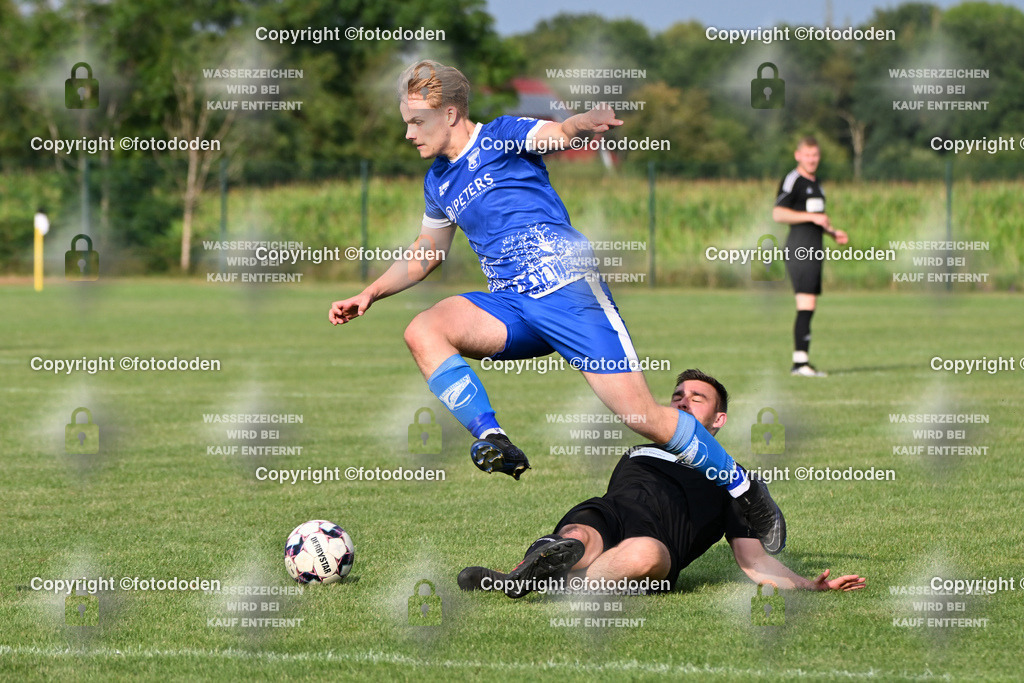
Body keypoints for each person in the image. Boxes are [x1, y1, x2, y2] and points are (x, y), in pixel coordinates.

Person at [328, 60, 781, 551]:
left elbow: (555, 133)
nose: (409, 134)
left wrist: (579, 125)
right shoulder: (439, 182)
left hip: (569, 296)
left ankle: (743, 488)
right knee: (423, 330)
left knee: (642, 417)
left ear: (452, 113)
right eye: (407, 123)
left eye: (417, 122)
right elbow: (428, 253)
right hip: (511, 307)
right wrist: (369, 292)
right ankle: (493, 437)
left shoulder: (500, 136)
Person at [459, 369, 865, 598]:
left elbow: (755, 560)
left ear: (718, 420)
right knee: (579, 535)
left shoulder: (737, 483)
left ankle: (546, 582)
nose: (682, 401)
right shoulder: (644, 447)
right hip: (610, 515)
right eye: (677, 396)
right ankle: (531, 569)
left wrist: (808, 585)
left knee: (644, 555)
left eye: (697, 398)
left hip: (658, 544)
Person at [772, 137, 848, 377]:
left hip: (814, 249)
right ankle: (800, 364)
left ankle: (801, 362)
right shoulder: (792, 180)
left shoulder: (818, 184)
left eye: (815, 155)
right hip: (799, 249)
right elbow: (778, 213)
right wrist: (812, 218)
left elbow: (818, 217)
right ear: (798, 155)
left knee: (809, 305)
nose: (812, 159)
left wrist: (832, 232)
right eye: (807, 155)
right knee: (806, 304)